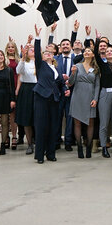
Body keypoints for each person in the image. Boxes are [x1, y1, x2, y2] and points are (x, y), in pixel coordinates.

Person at [32, 24, 68, 164]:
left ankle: (51, 153)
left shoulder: (56, 68)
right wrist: (38, 37)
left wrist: (65, 89)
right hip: (41, 97)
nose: (48, 54)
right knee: (41, 126)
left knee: (54, 126)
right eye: (45, 53)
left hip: (54, 99)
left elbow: (60, 83)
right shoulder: (40, 66)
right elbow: (36, 51)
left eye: (50, 53)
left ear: (53, 56)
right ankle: (40, 155)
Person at [94, 30, 112, 158]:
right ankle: (104, 147)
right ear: (104, 54)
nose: (110, 52)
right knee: (104, 123)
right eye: (107, 51)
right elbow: (95, 53)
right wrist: (98, 40)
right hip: (105, 94)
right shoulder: (102, 64)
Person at [68, 47, 100, 158]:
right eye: (85, 51)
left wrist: (95, 99)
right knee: (77, 123)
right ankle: (79, 147)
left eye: (89, 51)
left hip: (90, 97)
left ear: (93, 55)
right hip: (77, 97)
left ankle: (89, 147)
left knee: (90, 123)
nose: (86, 52)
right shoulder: (77, 66)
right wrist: (72, 74)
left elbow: (97, 85)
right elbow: (70, 83)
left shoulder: (95, 69)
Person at [16, 40, 37, 155]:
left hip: (39, 90)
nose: (32, 50)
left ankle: (38, 142)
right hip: (27, 90)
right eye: (29, 49)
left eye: (34, 48)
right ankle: (29, 144)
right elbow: (18, 71)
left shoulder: (40, 62)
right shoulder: (24, 62)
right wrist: (23, 58)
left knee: (38, 118)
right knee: (27, 119)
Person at [5, 39, 22, 150]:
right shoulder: (3, 59)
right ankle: (5, 136)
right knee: (4, 115)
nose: (11, 49)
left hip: (15, 88)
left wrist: (17, 89)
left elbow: (20, 75)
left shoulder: (18, 60)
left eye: (12, 47)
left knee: (13, 115)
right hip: (4, 89)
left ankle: (14, 137)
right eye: (9, 47)